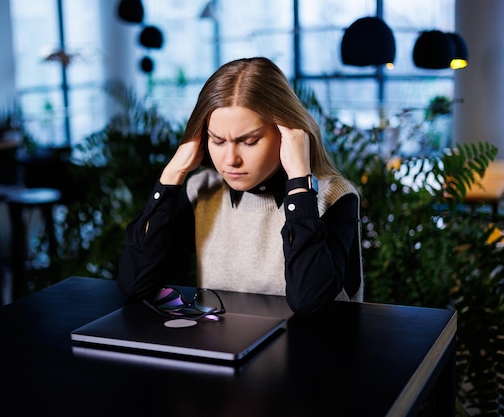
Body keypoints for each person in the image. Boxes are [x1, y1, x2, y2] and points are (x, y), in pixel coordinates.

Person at [117, 57, 363, 315]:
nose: (231, 160)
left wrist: (300, 182)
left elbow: (309, 301)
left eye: (249, 141)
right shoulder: (201, 190)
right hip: (224, 351)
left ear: (287, 135)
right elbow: (136, 283)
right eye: (218, 141)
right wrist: (172, 173)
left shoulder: (334, 196)